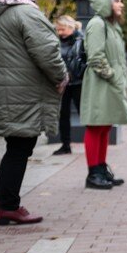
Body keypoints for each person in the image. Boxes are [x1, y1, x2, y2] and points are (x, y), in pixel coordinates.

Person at [0, 0, 68, 225]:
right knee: (21, 147)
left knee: (14, 146)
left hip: (3, 90)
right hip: (23, 93)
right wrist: (61, 77)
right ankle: (8, 205)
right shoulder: (25, 13)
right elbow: (48, 53)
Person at [80, 0, 127, 189]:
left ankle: (100, 168)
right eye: (117, 0)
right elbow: (96, 57)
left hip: (110, 83)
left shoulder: (112, 26)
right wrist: (112, 76)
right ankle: (93, 174)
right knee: (95, 125)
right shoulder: (97, 24)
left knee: (105, 125)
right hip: (101, 83)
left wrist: (121, 79)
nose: (121, 4)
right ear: (105, 3)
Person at [53, 15, 85, 154]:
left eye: (63, 29)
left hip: (78, 82)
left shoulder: (81, 40)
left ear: (71, 27)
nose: (60, 32)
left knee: (83, 113)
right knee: (63, 114)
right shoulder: (56, 42)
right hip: (63, 83)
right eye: (58, 30)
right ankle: (66, 145)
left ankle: (91, 142)